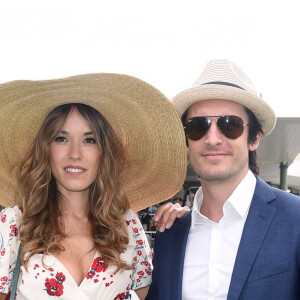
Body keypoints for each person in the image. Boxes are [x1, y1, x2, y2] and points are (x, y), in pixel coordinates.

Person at [0, 73, 188, 300]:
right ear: (46, 150)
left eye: (90, 140)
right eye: (61, 138)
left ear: (103, 154)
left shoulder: (127, 226)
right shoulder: (13, 224)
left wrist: (185, 224)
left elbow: (157, 296)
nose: (75, 154)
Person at [146, 59, 300, 299]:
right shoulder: (170, 233)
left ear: (255, 137)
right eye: (198, 126)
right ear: (186, 141)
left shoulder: (295, 219)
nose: (212, 138)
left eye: (230, 125)